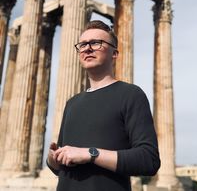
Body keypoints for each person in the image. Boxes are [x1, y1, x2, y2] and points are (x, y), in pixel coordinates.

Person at [47, 20, 160, 191]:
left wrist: (90, 154)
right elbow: (61, 168)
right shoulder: (72, 103)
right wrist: (53, 159)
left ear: (114, 53)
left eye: (96, 43)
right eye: (83, 44)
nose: (87, 48)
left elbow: (149, 160)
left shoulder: (130, 95)